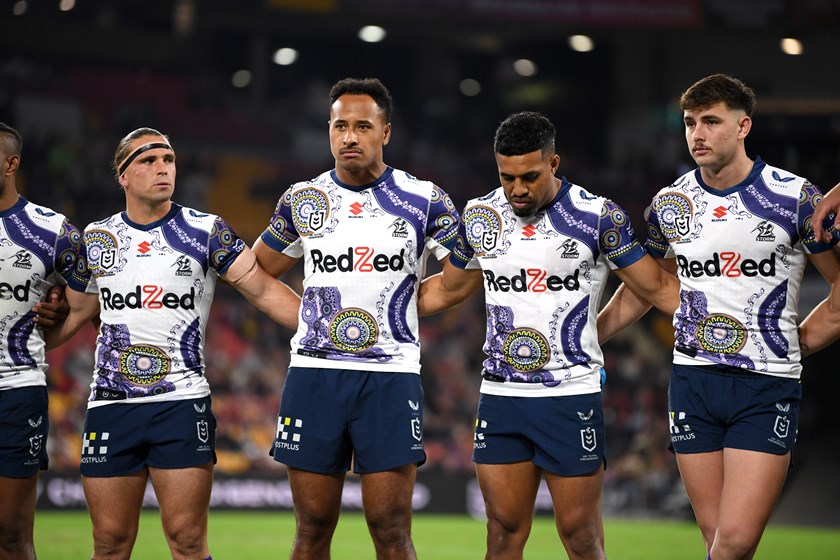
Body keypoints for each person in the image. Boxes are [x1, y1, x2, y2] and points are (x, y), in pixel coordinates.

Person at [416, 111, 680, 560]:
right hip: (501, 396)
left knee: (579, 534)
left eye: (530, 177)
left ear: (553, 163)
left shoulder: (598, 216)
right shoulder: (480, 216)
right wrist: (381, 300)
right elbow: (450, 288)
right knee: (502, 531)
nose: (517, 189)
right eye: (507, 177)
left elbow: (655, 287)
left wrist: (717, 325)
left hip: (570, 395)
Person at [598, 74, 840, 560]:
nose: (697, 134)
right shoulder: (671, 204)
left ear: (743, 126)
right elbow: (648, 287)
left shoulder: (795, 198)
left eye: (711, 121)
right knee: (718, 543)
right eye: (690, 123)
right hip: (693, 383)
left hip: (765, 385)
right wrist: (589, 336)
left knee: (734, 543)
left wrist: (798, 343)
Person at [45, 127, 301, 560]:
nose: (162, 167)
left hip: (181, 406)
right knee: (109, 544)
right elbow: (75, 315)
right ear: (123, 176)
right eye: (148, 160)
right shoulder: (97, 238)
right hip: (111, 406)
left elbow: (261, 288)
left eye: (168, 159)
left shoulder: (206, 231)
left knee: (187, 541)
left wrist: (319, 328)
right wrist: (30, 331)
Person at [251, 77, 460, 560]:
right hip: (315, 376)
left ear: (386, 132)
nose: (349, 137)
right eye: (339, 126)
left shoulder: (424, 198)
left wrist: (406, 304)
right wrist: (306, 317)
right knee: (311, 528)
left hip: (390, 377)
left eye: (363, 126)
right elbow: (256, 273)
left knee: (390, 529)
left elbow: (460, 277)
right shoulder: (304, 199)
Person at [0, 122, 80, 560]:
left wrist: (62, 310)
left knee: (12, 536)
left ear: (11, 163)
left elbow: (90, 301)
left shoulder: (51, 231)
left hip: (16, 391)